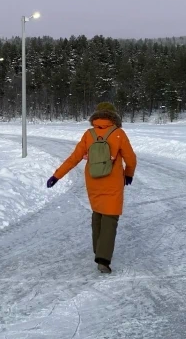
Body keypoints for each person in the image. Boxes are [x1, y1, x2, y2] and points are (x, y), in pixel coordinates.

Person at [47, 102, 136, 274]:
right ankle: (103, 258)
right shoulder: (118, 134)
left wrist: (56, 176)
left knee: (98, 214)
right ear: (113, 116)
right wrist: (129, 173)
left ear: (97, 116)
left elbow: (74, 158)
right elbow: (131, 158)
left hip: (93, 180)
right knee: (110, 218)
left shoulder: (89, 134)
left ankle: (98, 250)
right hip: (113, 181)